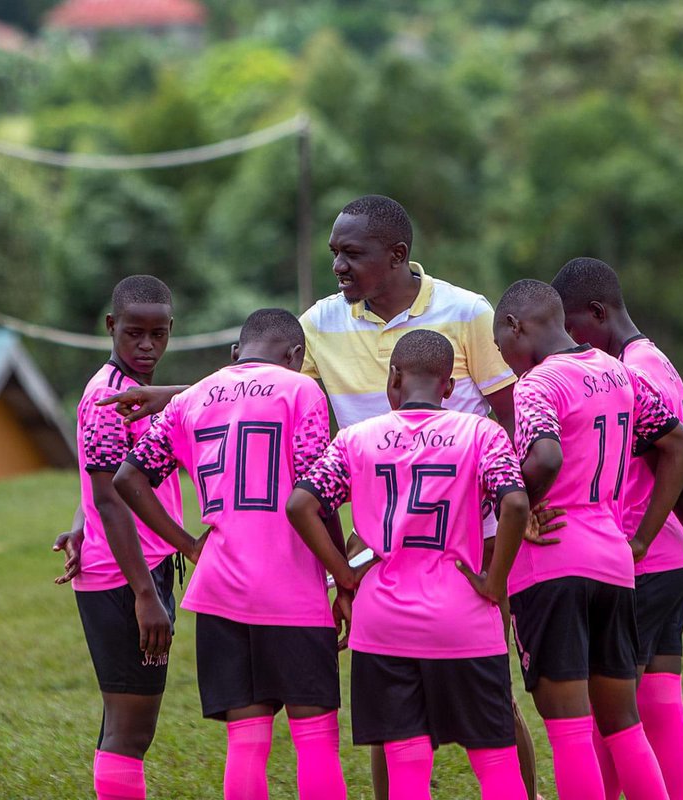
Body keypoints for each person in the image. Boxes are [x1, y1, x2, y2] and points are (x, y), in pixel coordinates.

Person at [97, 195, 542, 799]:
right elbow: (261, 381)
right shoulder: (320, 322)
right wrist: (171, 395)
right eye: (334, 253)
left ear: (398, 256)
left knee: (492, 691)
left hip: (475, 534)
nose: (338, 266)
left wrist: (524, 499)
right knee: (389, 696)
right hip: (381, 532)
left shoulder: (467, 312)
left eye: (351, 254)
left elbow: (512, 413)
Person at [111, 309, 348, 800]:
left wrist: (188, 544)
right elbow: (315, 494)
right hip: (291, 588)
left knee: (246, 742)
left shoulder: (193, 397)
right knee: (315, 740)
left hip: (221, 588)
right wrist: (342, 576)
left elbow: (127, 478)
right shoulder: (301, 390)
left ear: (236, 353)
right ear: (295, 356)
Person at [550, 258, 683, 800]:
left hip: (635, 560)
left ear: (597, 313)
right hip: (666, 559)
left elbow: (680, 467)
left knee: (609, 714)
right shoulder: (657, 361)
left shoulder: (630, 372)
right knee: (659, 701)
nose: (567, 344)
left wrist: (680, 544)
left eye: (570, 329)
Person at [287, 329, 531, 800]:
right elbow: (516, 505)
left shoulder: (355, 439)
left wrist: (343, 573)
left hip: (382, 620)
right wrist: (494, 582)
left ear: (393, 378)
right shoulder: (482, 433)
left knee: (406, 763)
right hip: (462, 618)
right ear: (448, 387)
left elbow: (301, 504)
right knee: (496, 763)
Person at [494, 279, 683, 800]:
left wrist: (521, 504)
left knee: (569, 732)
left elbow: (544, 458)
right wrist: (642, 539)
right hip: (613, 559)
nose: (509, 361)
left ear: (516, 327)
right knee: (624, 726)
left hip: (553, 561)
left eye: (503, 346)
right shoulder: (617, 371)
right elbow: (678, 444)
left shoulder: (537, 384)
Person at [64, 275, 183, 800]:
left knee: (122, 724)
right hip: (126, 578)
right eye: (134, 333)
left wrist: (78, 522)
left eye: (158, 334)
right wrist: (144, 595)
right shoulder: (109, 398)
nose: (146, 345)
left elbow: (96, 482)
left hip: (132, 570)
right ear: (111, 326)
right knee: (131, 731)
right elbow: (110, 497)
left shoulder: (137, 393)